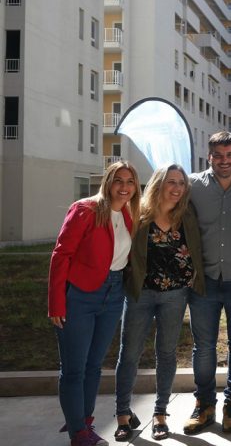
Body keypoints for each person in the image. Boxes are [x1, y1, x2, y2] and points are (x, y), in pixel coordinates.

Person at [48, 161, 140, 446]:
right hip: (80, 296)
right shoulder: (85, 210)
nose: (124, 187)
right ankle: (79, 434)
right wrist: (56, 304)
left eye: (130, 181)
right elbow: (61, 255)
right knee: (74, 368)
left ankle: (84, 423)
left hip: (113, 295)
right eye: (118, 180)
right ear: (108, 182)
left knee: (93, 366)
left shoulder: (129, 214)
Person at [114, 164, 205, 441]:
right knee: (129, 353)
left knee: (166, 353)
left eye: (181, 183)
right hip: (140, 293)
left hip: (175, 295)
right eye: (171, 182)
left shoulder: (187, 214)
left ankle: (160, 413)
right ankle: (123, 414)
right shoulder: (138, 214)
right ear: (159, 184)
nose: (177, 188)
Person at [183, 132, 231, 435]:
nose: (224, 161)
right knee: (203, 347)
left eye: (230, 155)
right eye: (218, 156)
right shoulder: (192, 185)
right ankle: (204, 404)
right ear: (209, 156)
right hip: (204, 281)